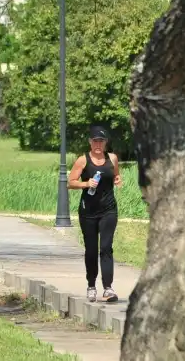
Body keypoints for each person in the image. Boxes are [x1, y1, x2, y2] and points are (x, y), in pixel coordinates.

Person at [68, 124, 122, 302]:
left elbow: (115, 174)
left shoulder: (112, 158)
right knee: (91, 250)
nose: (98, 145)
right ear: (90, 142)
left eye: (101, 141)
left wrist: (117, 179)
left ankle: (108, 288)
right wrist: (86, 183)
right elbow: (71, 182)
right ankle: (91, 285)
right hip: (88, 211)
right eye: (95, 141)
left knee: (106, 248)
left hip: (108, 210)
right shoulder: (82, 160)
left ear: (105, 143)